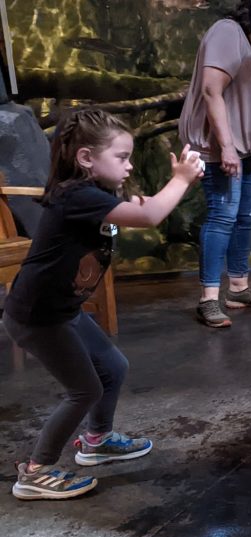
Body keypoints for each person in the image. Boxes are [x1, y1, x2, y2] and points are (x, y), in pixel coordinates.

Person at [2, 108, 204, 500]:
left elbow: (130, 214)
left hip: (62, 310)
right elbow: (148, 217)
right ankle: (35, 471)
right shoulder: (75, 195)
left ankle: (96, 441)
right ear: (85, 158)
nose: (129, 166)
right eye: (122, 157)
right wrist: (181, 180)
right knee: (84, 390)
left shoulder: (93, 195)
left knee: (113, 366)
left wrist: (137, 206)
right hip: (38, 317)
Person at [179, 3, 251, 328]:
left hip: (248, 146)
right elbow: (211, 89)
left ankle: (238, 287)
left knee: (244, 217)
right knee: (222, 216)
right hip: (221, 146)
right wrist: (227, 147)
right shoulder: (229, 32)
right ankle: (208, 299)